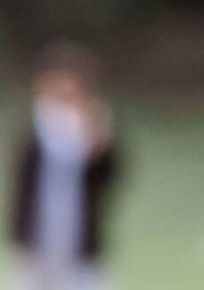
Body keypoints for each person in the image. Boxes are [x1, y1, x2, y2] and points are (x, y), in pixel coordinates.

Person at [9, 45, 121, 290]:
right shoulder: (36, 126)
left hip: (80, 241)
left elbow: (109, 176)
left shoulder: (93, 125)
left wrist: (98, 143)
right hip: (37, 241)